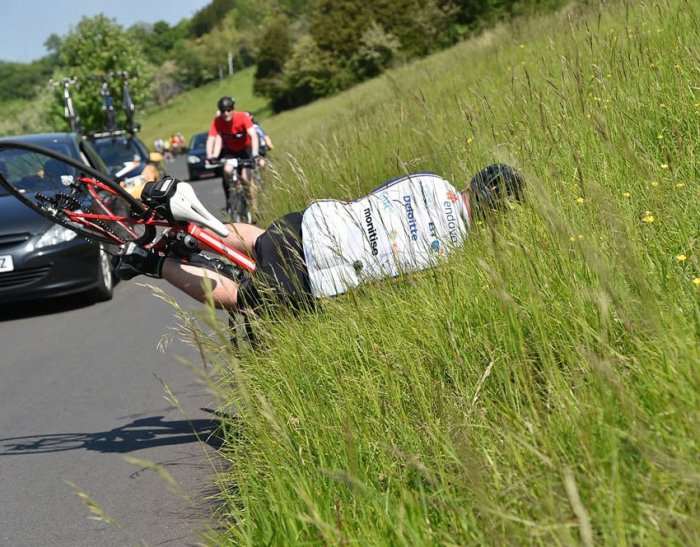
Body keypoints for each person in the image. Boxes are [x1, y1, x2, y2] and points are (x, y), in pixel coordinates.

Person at [115, 164, 524, 315]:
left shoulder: (433, 182)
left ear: (477, 180)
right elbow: (398, 288)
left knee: (263, 240)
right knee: (245, 298)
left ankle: (193, 232)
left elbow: (378, 192)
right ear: (498, 213)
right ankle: (152, 263)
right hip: (325, 276)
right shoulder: (456, 252)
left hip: (319, 222)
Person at [206, 97, 260, 216]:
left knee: (247, 179)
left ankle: (255, 209)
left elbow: (253, 135)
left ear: (233, 109)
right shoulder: (217, 121)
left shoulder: (242, 117)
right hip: (230, 151)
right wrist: (210, 156)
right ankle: (232, 190)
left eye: (228, 110)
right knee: (227, 169)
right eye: (223, 111)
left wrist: (255, 153)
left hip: (245, 150)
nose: (226, 113)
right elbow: (211, 139)